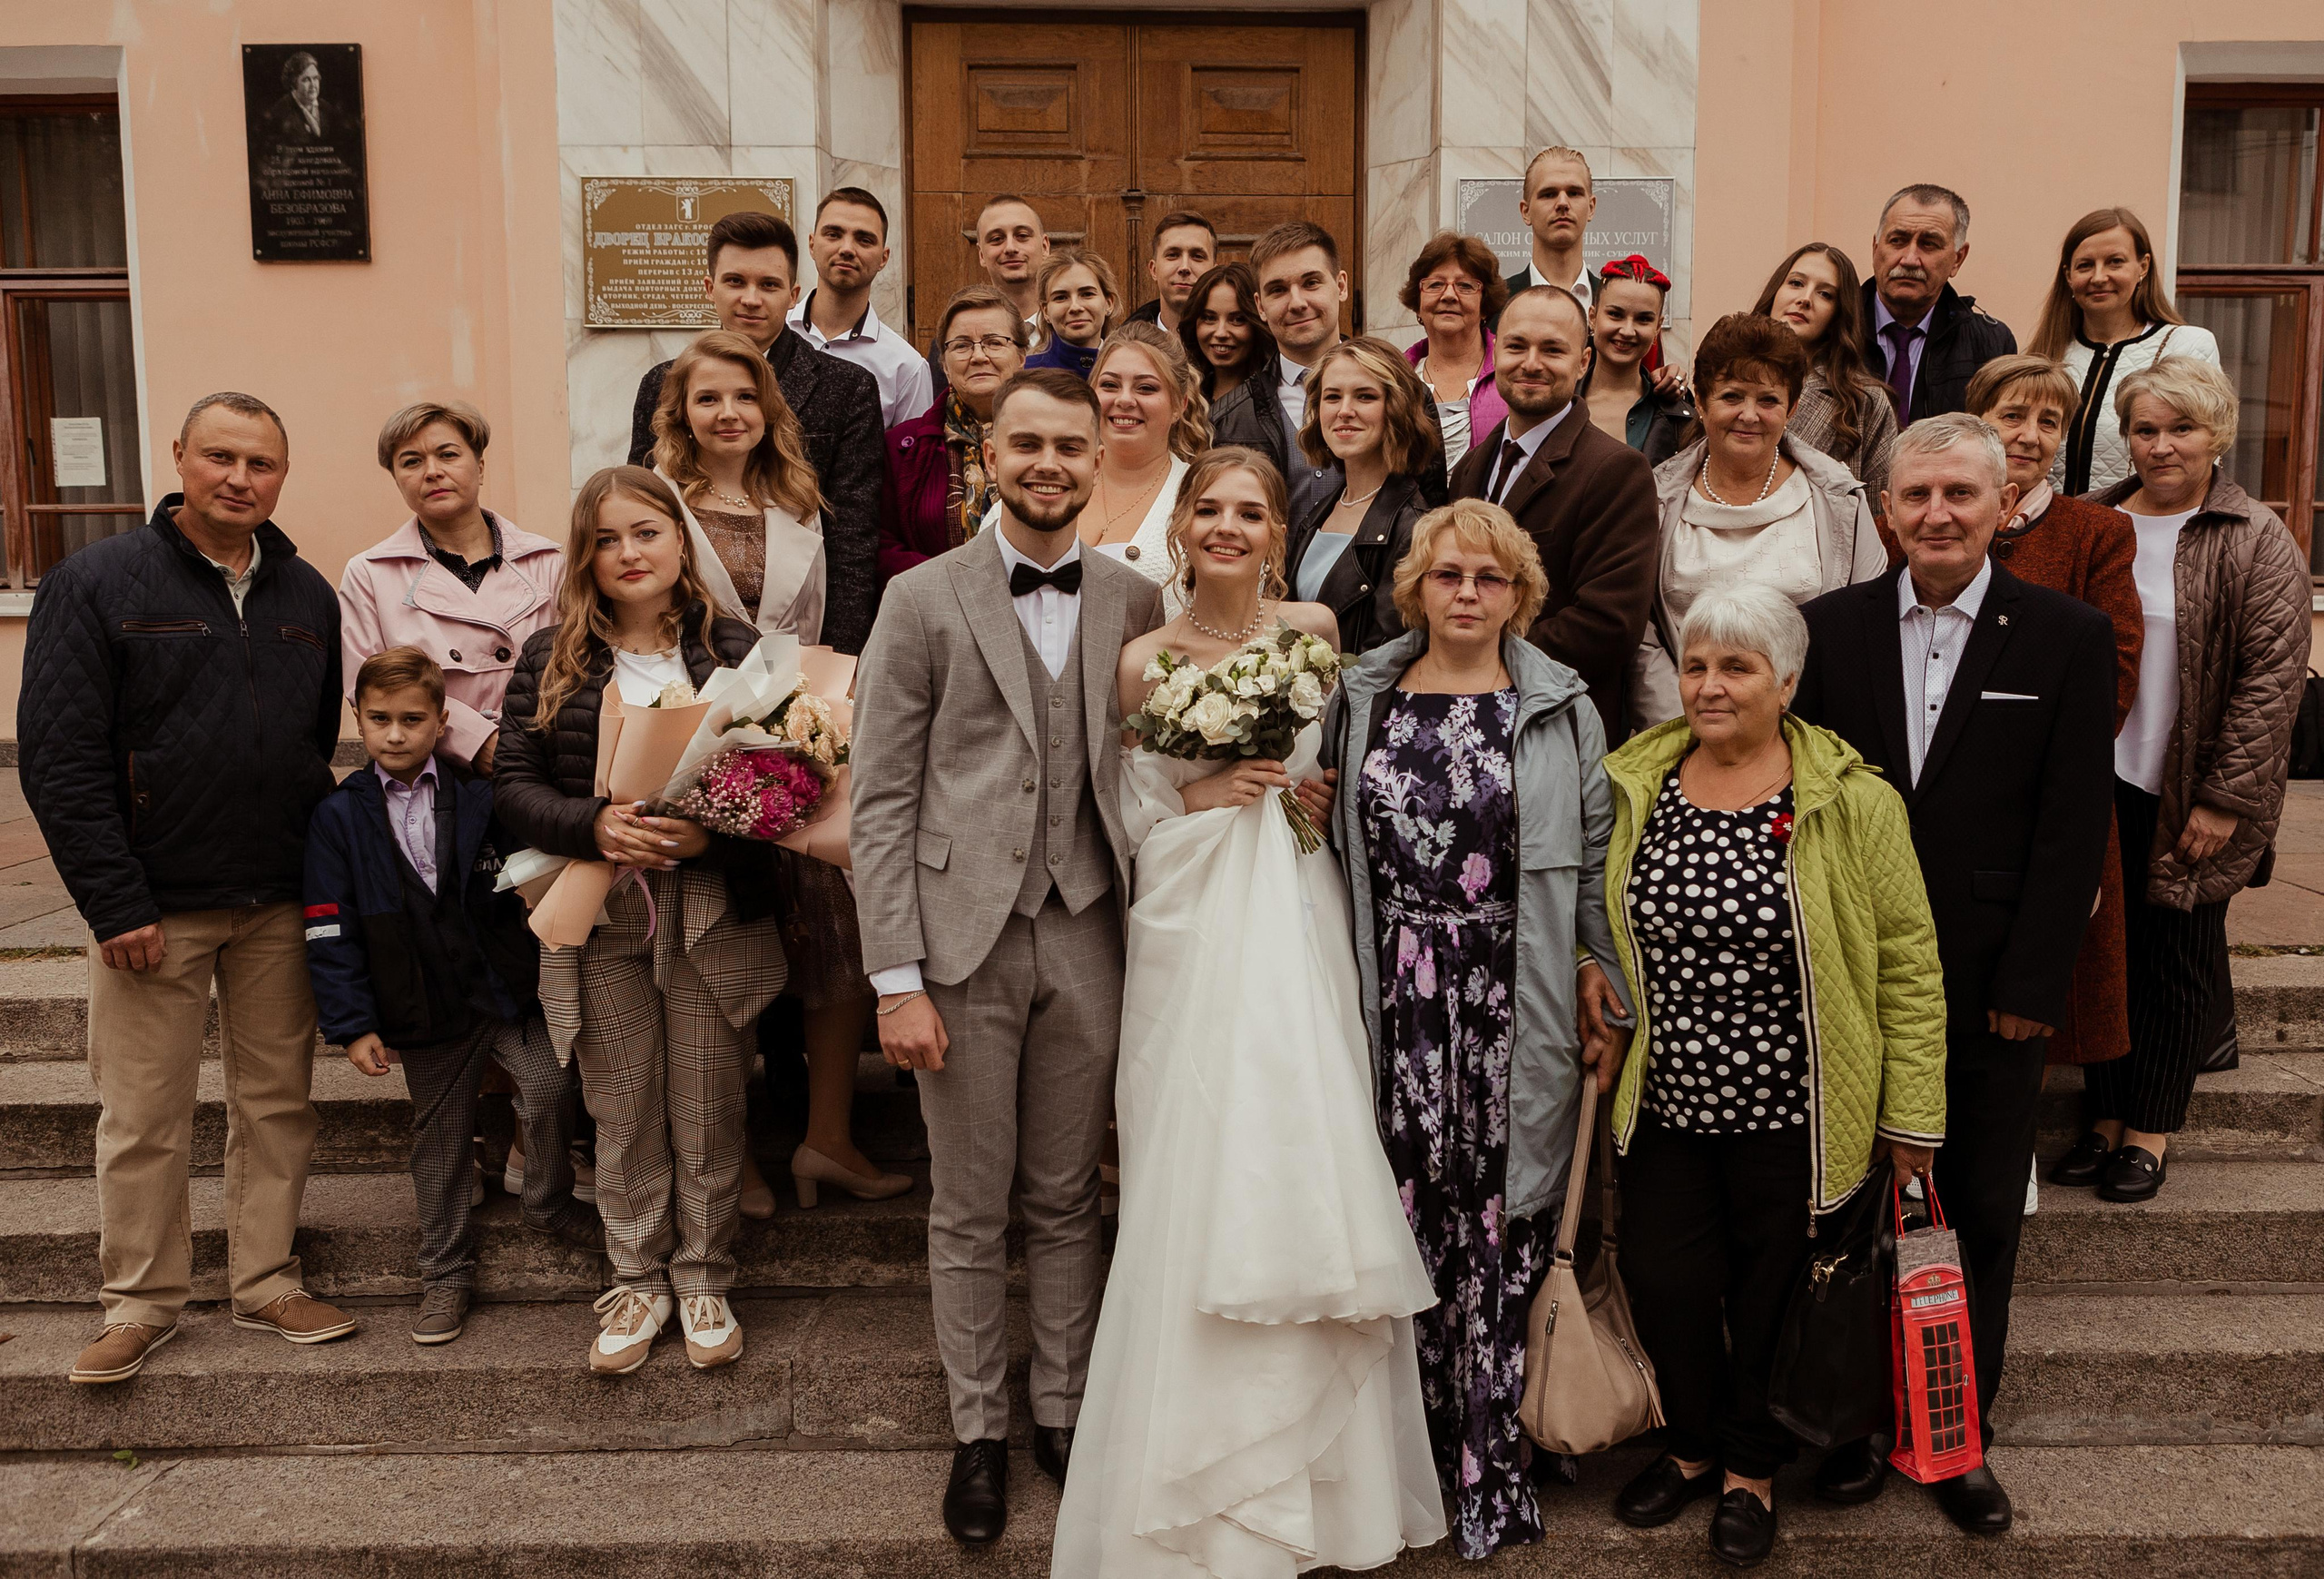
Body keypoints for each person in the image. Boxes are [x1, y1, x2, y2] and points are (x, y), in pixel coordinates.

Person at [1054, 447, 1443, 1575]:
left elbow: (1339, 773)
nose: (1227, 527)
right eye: (1208, 510)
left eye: (1250, 512)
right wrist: (1193, 789)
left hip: (1292, 887)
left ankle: (1325, 1476)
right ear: (1180, 529)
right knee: (1197, 1132)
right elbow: (1122, 810)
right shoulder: (1140, 658)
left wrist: (1305, 793)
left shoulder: (1317, 630)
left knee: (1299, 1115)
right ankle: (1198, 1463)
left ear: (1280, 529)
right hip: (1190, 904)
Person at [851, 370, 1165, 1546]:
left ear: (1097, 459)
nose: (1048, 463)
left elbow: (1150, 765)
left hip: (1089, 929)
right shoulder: (923, 600)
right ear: (989, 454)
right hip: (958, 943)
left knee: (1070, 1197)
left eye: (1069, 447)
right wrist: (896, 977)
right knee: (971, 1204)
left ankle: (1065, 1409)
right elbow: (880, 799)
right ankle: (978, 1429)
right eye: (1026, 443)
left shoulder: (1133, 599)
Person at [1792, 413, 2117, 1536]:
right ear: (1885, 510)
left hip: (1991, 983)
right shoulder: (1826, 632)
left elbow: (2076, 825)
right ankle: (1843, 1427)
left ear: (2000, 506)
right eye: (1917, 495)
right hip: (1850, 979)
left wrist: (2035, 979)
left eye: (1959, 497)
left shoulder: (2065, 636)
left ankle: (1955, 1434)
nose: (1937, 515)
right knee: (1846, 1211)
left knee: (1976, 1211)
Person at [1600, 582, 1945, 1567]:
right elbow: (1597, 914)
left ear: (1785, 680)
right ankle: (1693, 1442)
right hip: (1666, 1097)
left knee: (1770, 1291)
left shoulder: (1849, 797)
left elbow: (1908, 959)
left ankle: (1746, 1466)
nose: (1709, 686)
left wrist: (1913, 1110)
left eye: (1736, 667)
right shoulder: (1635, 782)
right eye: (1696, 664)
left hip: (1798, 1104)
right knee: (1666, 1278)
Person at [21, 391, 354, 1384]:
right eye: (220, 457)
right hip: (152, 907)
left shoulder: (306, 596)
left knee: (277, 1103)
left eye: (260, 463)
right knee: (143, 1112)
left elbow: (307, 748)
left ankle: (266, 1278)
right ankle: (139, 1301)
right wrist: (112, 900)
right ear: (179, 458)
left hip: (276, 898)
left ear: (281, 476)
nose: (239, 478)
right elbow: (58, 756)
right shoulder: (96, 582)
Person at [1323, 496, 1630, 1557]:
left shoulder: (1558, 704)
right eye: (1447, 574)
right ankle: (1412, 1455)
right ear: (1413, 586)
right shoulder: (1359, 694)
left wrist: (1603, 978)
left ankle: (1491, 1460)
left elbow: (1591, 862)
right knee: (1405, 1215)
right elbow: (1322, 840)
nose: (1465, 592)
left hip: (1515, 984)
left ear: (1519, 594)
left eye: (1487, 578)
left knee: (1503, 1216)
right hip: (1394, 993)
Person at [495, 467, 788, 1377]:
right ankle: (636, 1277)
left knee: (707, 1097)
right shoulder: (552, 657)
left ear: (678, 542)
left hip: (707, 908)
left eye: (645, 532)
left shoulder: (736, 651)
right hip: (600, 904)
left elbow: (789, 791)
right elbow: (511, 786)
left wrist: (711, 840)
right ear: (586, 554)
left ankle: (703, 1274)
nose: (628, 552)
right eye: (608, 538)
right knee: (620, 1103)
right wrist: (594, 821)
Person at [649, 330, 905, 1216]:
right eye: (708, 397)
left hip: (805, 740)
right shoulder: (659, 503)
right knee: (737, 950)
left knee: (838, 943)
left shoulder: (801, 501)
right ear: (680, 409)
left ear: (769, 410)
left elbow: (825, 624)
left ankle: (826, 1137)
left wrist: (822, 720)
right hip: (702, 745)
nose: (727, 412)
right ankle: (737, 1151)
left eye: (743, 397)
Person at [2064, 359, 2309, 1203]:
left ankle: (2150, 1129)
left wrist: (2225, 799)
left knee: (2174, 956)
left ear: (2217, 435)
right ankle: (2101, 1117)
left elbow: (2272, 680)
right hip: (2098, 779)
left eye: (2182, 428)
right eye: (2146, 428)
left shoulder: (2253, 535)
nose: (2162, 445)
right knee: (2102, 952)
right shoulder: (2092, 520)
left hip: (2189, 788)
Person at [305, 648, 598, 1347]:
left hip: (502, 994)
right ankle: (444, 1271)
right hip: (423, 1007)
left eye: (413, 719)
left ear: (443, 722)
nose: (396, 733)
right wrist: (352, 1024)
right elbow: (327, 927)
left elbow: (529, 879)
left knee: (552, 1088)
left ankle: (549, 1201)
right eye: (380, 719)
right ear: (358, 719)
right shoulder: (338, 817)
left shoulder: (479, 797)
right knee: (439, 1142)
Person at [1965, 355, 2143, 1075]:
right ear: (1978, 421)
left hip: (2045, 789)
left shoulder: (2094, 531)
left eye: (2050, 421)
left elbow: (2117, 669)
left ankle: (2016, 1155)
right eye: (2013, 415)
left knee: (2039, 983)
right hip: (1938, 786)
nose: (2032, 434)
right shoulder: (1928, 516)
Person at [625, 211, 883, 654]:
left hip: (797, 638)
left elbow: (853, 539)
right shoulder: (663, 382)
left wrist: (841, 658)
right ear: (710, 288)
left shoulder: (848, 387)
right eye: (734, 282)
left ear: (793, 294)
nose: (750, 299)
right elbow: (640, 512)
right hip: (681, 643)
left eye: (768, 285)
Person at [1632, 312, 1888, 730]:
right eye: (1732, 397)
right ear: (1700, 401)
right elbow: (1641, 634)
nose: (1749, 415)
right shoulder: (1655, 500)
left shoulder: (1840, 500)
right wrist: (1688, 723)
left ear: (1793, 407)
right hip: (1683, 729)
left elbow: (1865, 623)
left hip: (1808, 731)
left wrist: (1792, 733)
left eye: (1768, 400)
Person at [1448, 285, 1659, 742]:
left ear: (1583, 363)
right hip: (1462, 718)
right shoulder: (1469, 468)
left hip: (1555, 728)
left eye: (1552, 349)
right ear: (1495, 353)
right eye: (1516, 346)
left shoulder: (1617, 471)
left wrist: (1479, 649)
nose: (1530, 363)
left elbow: (1610, 624)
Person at [340, 401, 564, 776]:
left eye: (448, 454)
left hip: (542, 766)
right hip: (429, 775)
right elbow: (366, 687)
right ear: (396, 479)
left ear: (478, 466)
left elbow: (577, 665)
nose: (432, 472)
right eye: (411, 462)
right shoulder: (369, 573)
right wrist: (478, 742)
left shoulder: (548, 561)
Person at [2028, 207, 2221, 497]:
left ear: (2143, 267)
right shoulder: (2044, 354)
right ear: (2068, 275)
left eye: (2115, 262)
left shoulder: (2187, 346)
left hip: (2139, 532)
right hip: (2049, 531)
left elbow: (2206, 458)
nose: (2098, 277)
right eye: (2085, 266)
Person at [1286, 336, 1437, 654]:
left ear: (1396, 409)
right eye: (1332, 397)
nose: (1344, 411)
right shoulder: (1321, 512)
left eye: (1365, 397)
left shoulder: (1416, 529)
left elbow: (1391, 656)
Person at [879, 285, 1029, 584]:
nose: (978, 356)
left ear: (1022, 355)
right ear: (944, 364)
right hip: (935, 612)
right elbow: (882, 545)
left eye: (994, 343)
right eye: (961, 346)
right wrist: (955, 582)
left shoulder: (1056, 439)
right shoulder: (900, 448)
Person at [1215, 220, 1348, 526]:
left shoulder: (1397, 391)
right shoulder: (1228, 418)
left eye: (1311, 283)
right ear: (1260, 306)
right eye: (1278, 290)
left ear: (1340, 286)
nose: (1297, 302)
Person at [1058, 322, 1207, 595]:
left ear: (1179, 405)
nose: (1125, 400)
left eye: (1146, 388)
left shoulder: (1203, 496)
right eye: (1110, 385)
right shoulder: (1047, 479)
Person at [1755, 242, 1899, 504]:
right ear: (1776, 291)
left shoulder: (1864, 400)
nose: (1805, 299)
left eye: (1825, 294)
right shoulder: (1726, 372)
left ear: (1839, 314)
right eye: (1796, 283)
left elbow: (1880, 514)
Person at [1863, 184, 2017, 424]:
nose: (1909, 259)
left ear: (1957, 259)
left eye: (1929, 244)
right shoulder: (1834, 326)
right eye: (1897, 240)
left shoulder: (1990, 344)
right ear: (1875, 248)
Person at [791, 186, 934, 428]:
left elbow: (910, 462)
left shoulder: (906, 367)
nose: (847, 249)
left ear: (883, 258)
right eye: (833, 234)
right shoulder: (774, 334)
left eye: (864, 239)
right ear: (812, 244)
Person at [1400, 230, 1508, 472]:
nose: (1449, 295)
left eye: (1465, 286)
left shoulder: (1511, 370)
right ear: (1418, 305)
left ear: (1484, 306)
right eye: (1435, 284)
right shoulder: (1395, 379)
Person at [1582, 254, 1694, 466]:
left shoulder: (1677, 411)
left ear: (1658, 327)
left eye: (1643, 319)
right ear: (1593, 317)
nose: (1627, 330)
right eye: (1615, 314)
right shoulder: (1560, 400)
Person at [1501, 146, 1597, 314]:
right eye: (1548, 194)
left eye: (1574, 193)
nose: (1562, 203)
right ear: (1526, 211)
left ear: (1591, 207)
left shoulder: (1615, 305)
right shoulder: (1495, 304)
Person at [1177, 260, 1275, 407]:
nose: (1221, 333)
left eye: (1237, 320)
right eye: (1209, 318)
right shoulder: (1178, 398)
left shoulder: (1278, 400)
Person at [1024, 250, 1122, 378]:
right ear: (1045, 311)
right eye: (1061, 297)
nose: (1075, 307)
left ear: (1109, 303)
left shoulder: (1132, 368)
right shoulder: (1027, 374)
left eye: (1087, 294)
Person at [1126, 211, 1216, 335]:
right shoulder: (1125, 349)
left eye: (1197, 256)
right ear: (1153, 269)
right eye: (1173, 255)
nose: (1184, 267)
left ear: (1214, 271)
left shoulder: (1239, 349)